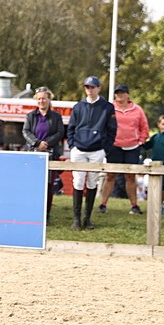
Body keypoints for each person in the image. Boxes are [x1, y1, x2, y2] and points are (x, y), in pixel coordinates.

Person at [65, 76, 116, 230]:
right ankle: (76, 219)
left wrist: (105, 148)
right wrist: (73, 144)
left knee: (92, 182)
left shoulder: (107, 107)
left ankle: (87, 218)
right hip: (79, 149)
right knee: (78, 182)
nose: (90, 90)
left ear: (99, 88)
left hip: (97, 150)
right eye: (88, 87)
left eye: (93, 87)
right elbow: (71, 128)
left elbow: (112, 129)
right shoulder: (78, 107)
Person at [98, 84, 149, 215]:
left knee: (130, 176)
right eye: (117, 93)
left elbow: (144, 127)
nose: (119, 95)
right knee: (110, 175)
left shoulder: (137, 110)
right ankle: (103, 204)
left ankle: (134, 205)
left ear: (127, 94)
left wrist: (141, 141)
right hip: (114, 146)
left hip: (132, 147)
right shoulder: (109, 108)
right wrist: (106, 143)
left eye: (122, 93)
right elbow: (102, 125)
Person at [22, 86, 65, 219]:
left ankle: (46, 214)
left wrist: (46, 143)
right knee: (32, 184)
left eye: (44, 98)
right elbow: (25, 131)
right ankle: (31, 212)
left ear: (49, 99)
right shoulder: (30, 116)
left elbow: (60, 132)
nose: (41, 101)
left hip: (50, 153)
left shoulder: (56, 117)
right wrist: (36, 143)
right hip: (33, 153)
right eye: (39, 99)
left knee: (48, 185)